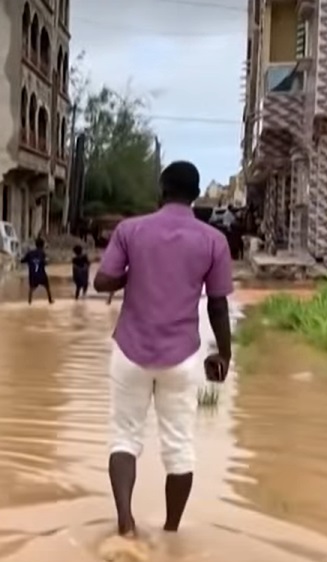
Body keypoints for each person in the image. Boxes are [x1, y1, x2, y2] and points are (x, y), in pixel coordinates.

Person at [93, 161, 233, 542]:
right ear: (195, 193)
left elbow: (101, 280)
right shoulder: (213, 240)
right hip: (182, 356)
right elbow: (217, 305)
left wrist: (128, 275)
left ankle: (125, 523)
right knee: (180, 445)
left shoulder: (130, 230)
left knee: (124, 436)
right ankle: (171, 532)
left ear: (161, 189)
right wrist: (224, 353)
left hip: (130, 351)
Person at [20, 238, 53, 304]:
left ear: (36, 245)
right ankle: (50, 300)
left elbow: (22, 261)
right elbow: (45, 263)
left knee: (31, 289)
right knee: (47, 287)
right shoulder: (43, 253)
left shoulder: (30, 253)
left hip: (33, 275)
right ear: (43, 245)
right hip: (41, 274)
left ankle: (29, 302)